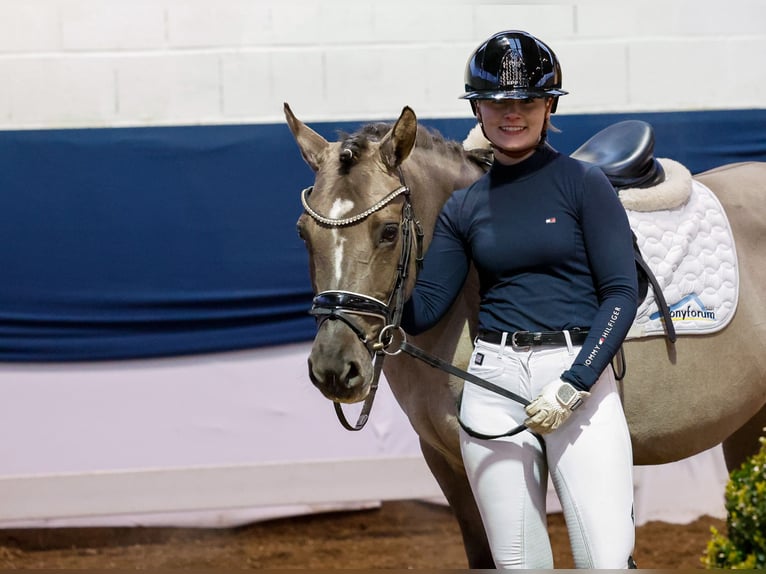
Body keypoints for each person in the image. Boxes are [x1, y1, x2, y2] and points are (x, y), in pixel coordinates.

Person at [401, 30, 639, 569]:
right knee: (519, 566)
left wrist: (576, 382)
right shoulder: (464, 207)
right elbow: (427, 309)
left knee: (605, 561)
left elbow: (621, 292)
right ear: (478, 108)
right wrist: (362, 303)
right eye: (498, 102)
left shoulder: (584, 184)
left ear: (549, 105)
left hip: (577, 379)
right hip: (494, 382)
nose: (513, 114)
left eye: (527, 101)